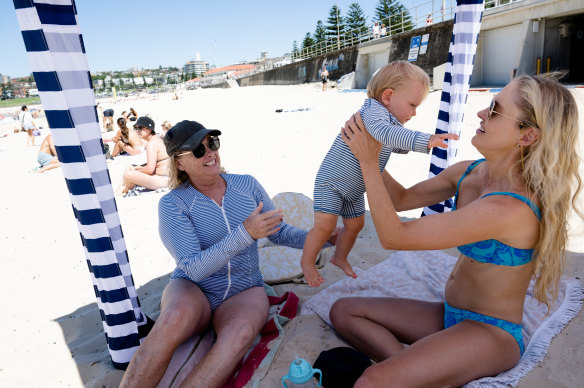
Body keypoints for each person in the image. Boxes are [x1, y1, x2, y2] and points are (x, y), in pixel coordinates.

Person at [330, 74, 583, 386]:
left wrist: (368, 163)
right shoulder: (470, 173)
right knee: (344, 311)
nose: (481, 114)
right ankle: (413, 369)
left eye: (494, 109)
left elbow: (394, 236)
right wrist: (365, 152)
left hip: (491, 332)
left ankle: (409, 373)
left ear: (527, 136)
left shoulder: (510, 209)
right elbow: (401, 199)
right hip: (450, 314)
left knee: (372, 381)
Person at [119, 120, 337, 387]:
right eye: (198, 151)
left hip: (243, 289)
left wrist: (321, 238)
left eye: (212, 143)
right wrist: (245, 233)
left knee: (241, 334)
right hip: (193, 288)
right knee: (172, 319)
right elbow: (194, 268)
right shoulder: (173, 204)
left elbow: (278, 232)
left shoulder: (246, 186)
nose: (210, 153)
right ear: (179, 163)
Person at [300, 61, 458, 287]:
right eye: (412, 105)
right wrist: (426, 140)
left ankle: (339, 257)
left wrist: (410, 144)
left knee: (355, 225)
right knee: (325, 226)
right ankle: (307, 262)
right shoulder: (374, 113)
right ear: (388, 97)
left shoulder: (387, 120)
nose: (414, 113)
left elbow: (394, 141)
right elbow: (386, 134)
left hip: (355, 189)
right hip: (331, 183)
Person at [115, 116, 169, 196]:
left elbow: (150, 170)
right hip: (163, 176)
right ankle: (120, 190)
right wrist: (135, 168)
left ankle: (124, 190)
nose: (137, 131)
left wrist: (135, 171)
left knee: (128, 174)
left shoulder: (152, 144)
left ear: (149, 129)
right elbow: (155, 164)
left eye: (140, 128)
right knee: (130, 166)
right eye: (136, 128)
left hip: (163, 179)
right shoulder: (156, 139)